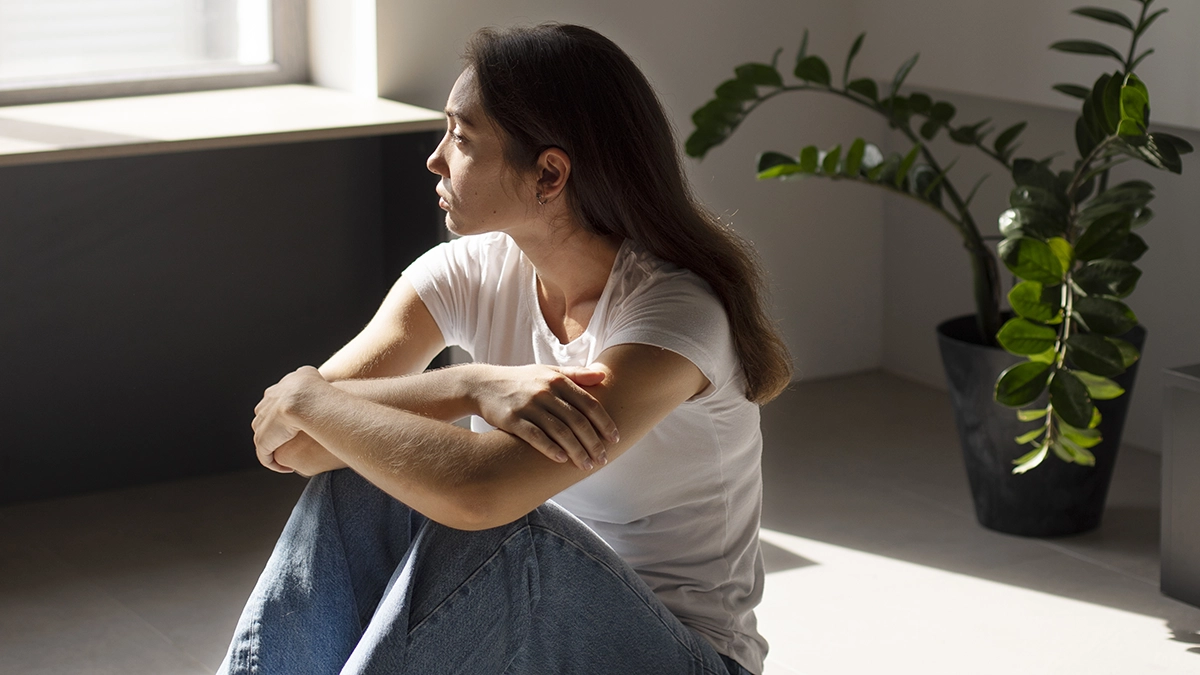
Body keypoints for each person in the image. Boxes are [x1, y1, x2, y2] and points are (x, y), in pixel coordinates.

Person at [219, 23, 792, 675]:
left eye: (461, 138)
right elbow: (295, 445)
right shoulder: (464, 272)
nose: (435, 158)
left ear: (548, 173)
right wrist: (463, 386)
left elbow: (484, 496)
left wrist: (307, 393)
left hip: (684, 655)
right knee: (356, 468)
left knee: (507, 531)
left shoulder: (674, 315)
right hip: (527, 640)